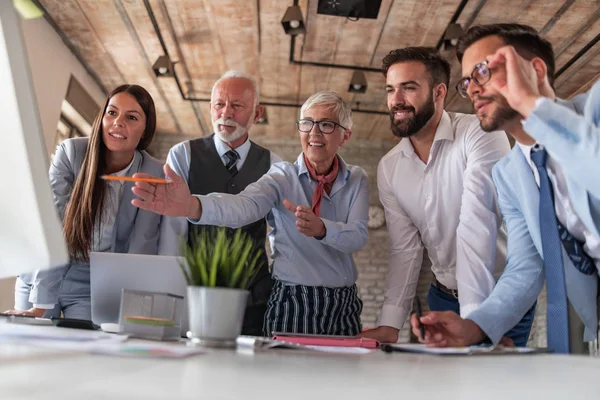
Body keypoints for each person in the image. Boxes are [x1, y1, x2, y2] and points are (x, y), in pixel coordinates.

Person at [410, 24, 599, 354]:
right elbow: (525, 267)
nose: (472, 90)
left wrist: (531, 105)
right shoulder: (509, 175)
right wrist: (476, 326)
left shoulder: (595, 110)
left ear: (535, 69)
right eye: (467, 81)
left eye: (483, 71)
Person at [131, 91, 369, 336]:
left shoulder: (357, 178)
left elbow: (358, 236)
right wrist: (192, 205)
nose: (314, 133)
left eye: (326, 125)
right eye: (307, 123)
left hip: (345, 303)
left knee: (345, 374)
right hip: (294, 300)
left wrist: (322, 229)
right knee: (288, 374)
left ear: (345, 136)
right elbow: (243, 206)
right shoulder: (281, 176)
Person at [360, 47, 534, 346]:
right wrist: (390, 324)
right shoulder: (389, 167)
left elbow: (477, 225)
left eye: (409, 88)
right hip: (441, 297)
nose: (396, 100)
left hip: (500, 298)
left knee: (499, 390)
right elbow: (405, 250)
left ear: (438, 92)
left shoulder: (480, 133)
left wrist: (474, 322)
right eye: (390, 89)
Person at [6, 84, 182, 319]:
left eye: (131, 117)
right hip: (41, 275)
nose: (118, 122)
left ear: (145, 129)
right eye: (112, 112)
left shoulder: (154, 172)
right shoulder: (71, 154)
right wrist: (40, 306)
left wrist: (134, 310)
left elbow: (142, 244)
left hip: (92, 284)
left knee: (82, 349)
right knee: (31, 345)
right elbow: (53, 227)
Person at [166, 70, 282, 336]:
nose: (226, 113)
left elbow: (280, 233)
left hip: (253, 296)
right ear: (210, 108)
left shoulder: (274, 165)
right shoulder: (183, 155)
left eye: (237, 105)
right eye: (219, 104)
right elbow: (171, 229)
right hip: (194, 291)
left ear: (257, 113)